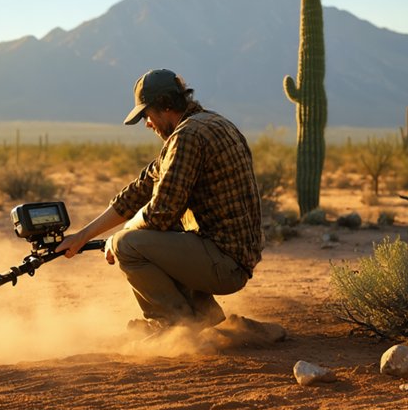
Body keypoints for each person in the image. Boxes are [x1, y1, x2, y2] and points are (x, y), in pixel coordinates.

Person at [56, 68, 263, 335]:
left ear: (165, 107)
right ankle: (203, 316)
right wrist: (82, 236)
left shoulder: (187, 137)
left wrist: (122, 235)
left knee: (127, 245)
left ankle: (177, 327)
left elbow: (160, 214)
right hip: (233, 256)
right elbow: (141, 189)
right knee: (156, 233)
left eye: (146, 114)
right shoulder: (210, 122)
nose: (147, 123)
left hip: (225, 264)